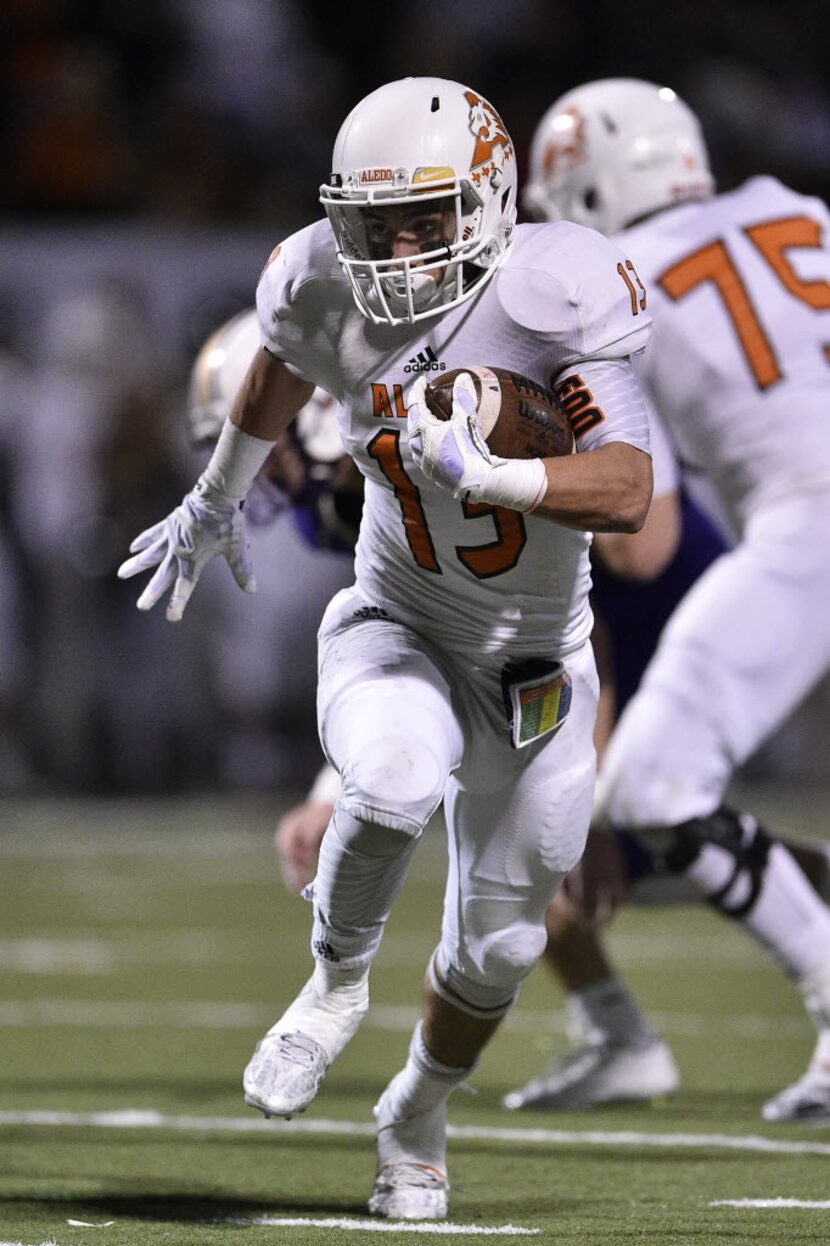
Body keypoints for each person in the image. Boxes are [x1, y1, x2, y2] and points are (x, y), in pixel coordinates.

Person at [119, 75, 656, 1219]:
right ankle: (331, 987)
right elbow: (279, 361)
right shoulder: (316, 276)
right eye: (377, 222)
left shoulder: (554, 290)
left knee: (501, 950)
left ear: (494, 196)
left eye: (428, 216)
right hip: (395, 622)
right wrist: (216, 499)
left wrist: (504, 474)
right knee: (397, 778)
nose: (399, 247)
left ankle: (414, 1115)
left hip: (537, 667)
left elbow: (627, 487)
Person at [503, 77, 830, 1124]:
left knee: (646, 785)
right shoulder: (799, 211)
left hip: (807, 522)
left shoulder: (611, 281)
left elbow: (641, 538)